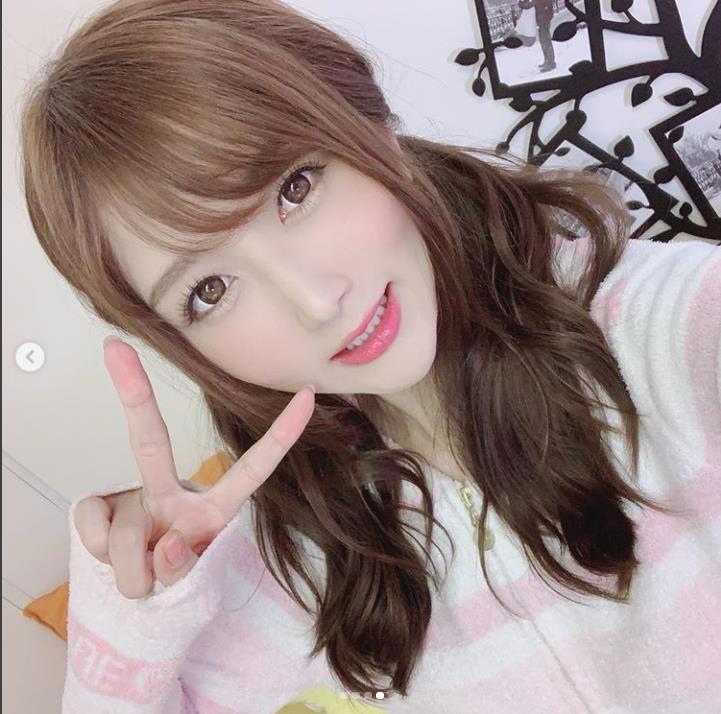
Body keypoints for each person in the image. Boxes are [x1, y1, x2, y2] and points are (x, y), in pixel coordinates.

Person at [17, 0, 721, 712]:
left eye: (295, 189)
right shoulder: (296, 552)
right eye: (209, 290)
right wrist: (136, 631)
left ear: (372, 127)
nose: (315, 301)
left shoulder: (659, 332)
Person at [534, 0, 557, 71]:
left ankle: (551, 62)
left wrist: (545, 16)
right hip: (540, 19)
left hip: (544, 18)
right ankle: (547, 60)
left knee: (546, 40)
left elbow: (548, 5)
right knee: (542, 40)